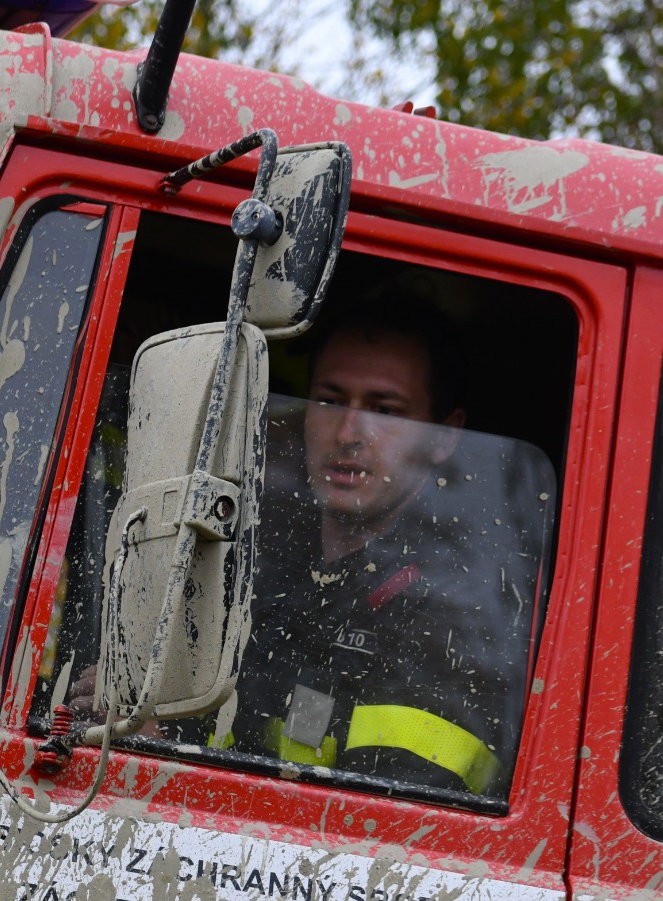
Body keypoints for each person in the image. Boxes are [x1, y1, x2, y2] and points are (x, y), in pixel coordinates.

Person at [72, 297, 548, 796]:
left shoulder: (455, 620)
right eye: (329, 400)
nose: (348, 434)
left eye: (385, 410)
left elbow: (377, 835)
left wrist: (157, 754)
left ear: (443, 439)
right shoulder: (250, 561)